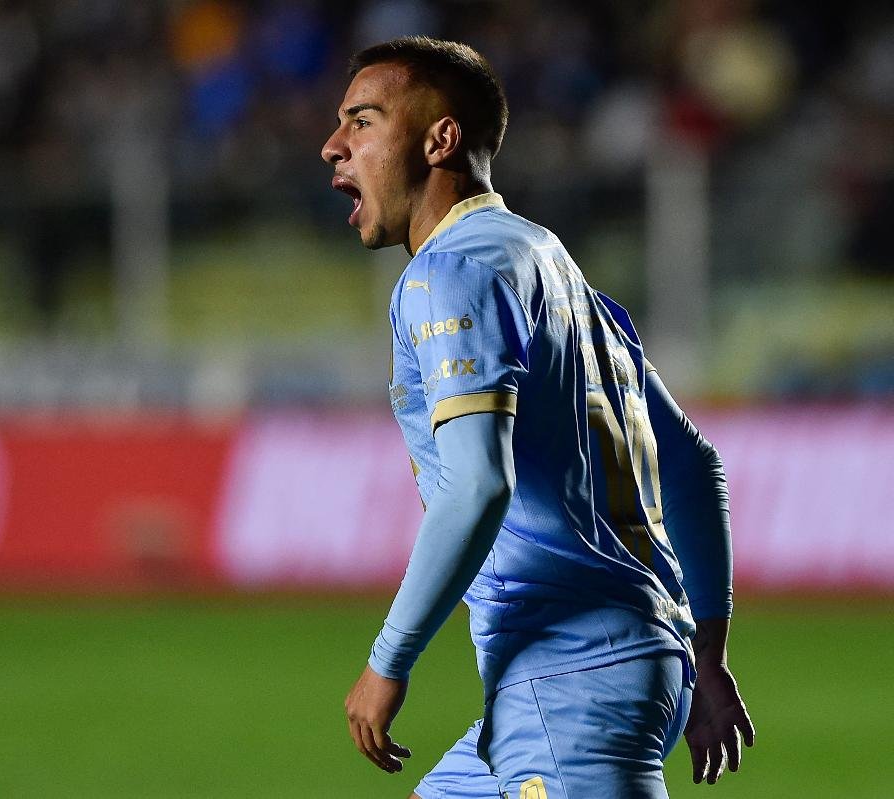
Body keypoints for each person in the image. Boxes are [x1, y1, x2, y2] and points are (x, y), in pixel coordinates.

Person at [321, 36, 754, 798]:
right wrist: (705, 656)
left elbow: (477, 485)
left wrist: (388, 659)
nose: (334, 146)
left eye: (361, 121)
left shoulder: (449, 270)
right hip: (590, 673)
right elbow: (690, 461)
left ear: (440, 138)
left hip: (570, 686)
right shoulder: (552, 263)